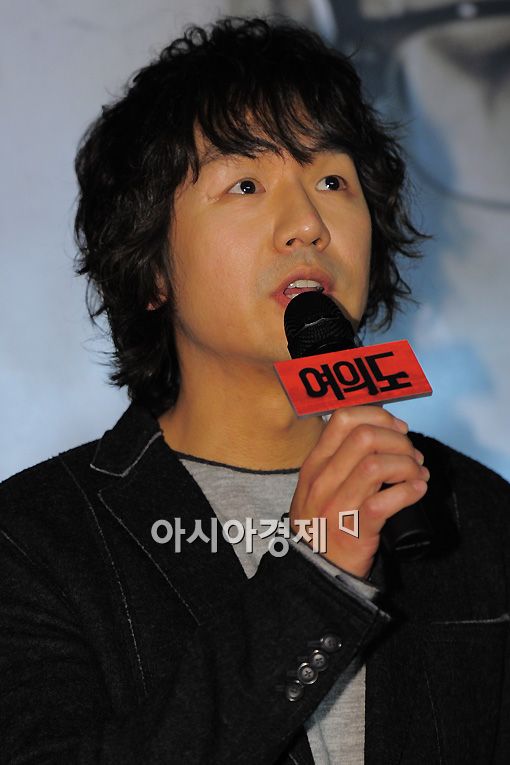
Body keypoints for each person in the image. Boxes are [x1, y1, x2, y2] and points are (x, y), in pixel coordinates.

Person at [0, 16, 509, 765]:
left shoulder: (479, 515)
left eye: (332, 181)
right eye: (245, 184)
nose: (308, 225)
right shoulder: (34, 540)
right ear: (152, 270)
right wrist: (316, 580)